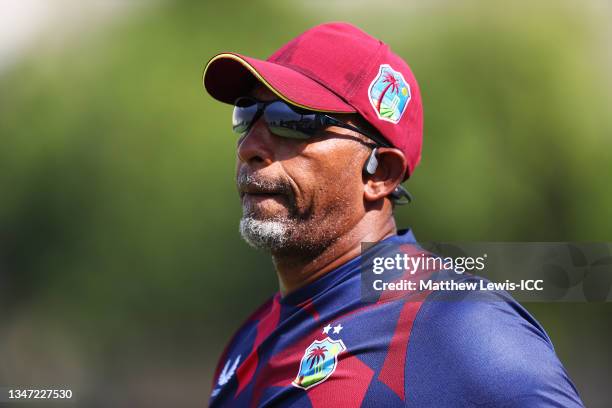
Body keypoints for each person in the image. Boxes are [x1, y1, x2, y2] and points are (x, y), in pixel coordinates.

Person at [202, 22, 584, 407]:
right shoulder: (248, 342)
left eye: (292, 120)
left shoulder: (457, 323)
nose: (249, 146)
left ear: (380, 173)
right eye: (248, 113)